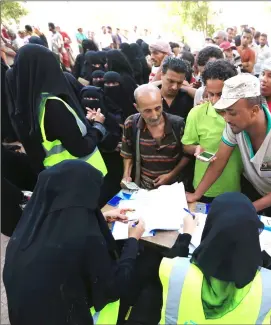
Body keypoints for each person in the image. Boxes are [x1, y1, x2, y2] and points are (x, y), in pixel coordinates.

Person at [3, 160, 146, 325]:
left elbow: (62, 224)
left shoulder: (24, 232)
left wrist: (101, 217)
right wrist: (133, 240)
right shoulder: (85, 239)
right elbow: (114, 287)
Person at [157, 192, 271, 324]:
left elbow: (174, 258)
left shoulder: (174, 271)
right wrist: (261, 258)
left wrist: (186, 234)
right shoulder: (270, 287)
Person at [187, 74, 271, 222]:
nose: (226, 118)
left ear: (254, 110)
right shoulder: (234, 126)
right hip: (253, 187)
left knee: (267, 238)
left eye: (232, 112)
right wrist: (197, 194)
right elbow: (219, 160)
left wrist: (250, 208)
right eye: (224, 111)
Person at [9, 44, 107, 176]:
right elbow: (80, 148)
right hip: (82, 176)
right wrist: (98, 126)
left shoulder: (31, 104)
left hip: (60, 176)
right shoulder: (53, 105)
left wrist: (84, 123)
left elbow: (58, 133)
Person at [182, 60, 242, 203]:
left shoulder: (242, 115)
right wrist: (195, 148)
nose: (215, 100)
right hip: (204, 188)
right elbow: (186, 145)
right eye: (210, 94)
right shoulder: (197, 113)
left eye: (220, 94)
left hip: (234, 185)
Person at [121, 84, 190, 189]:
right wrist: (126, 175)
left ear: (162, 102)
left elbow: (187, 155)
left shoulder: (178, 124)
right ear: (137, 107)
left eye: (158, 108)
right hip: (145, 187)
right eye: (147, 111)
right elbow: (128, 153)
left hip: (174, 187)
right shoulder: (131, 124)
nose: (154, 115)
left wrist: (170, 175)